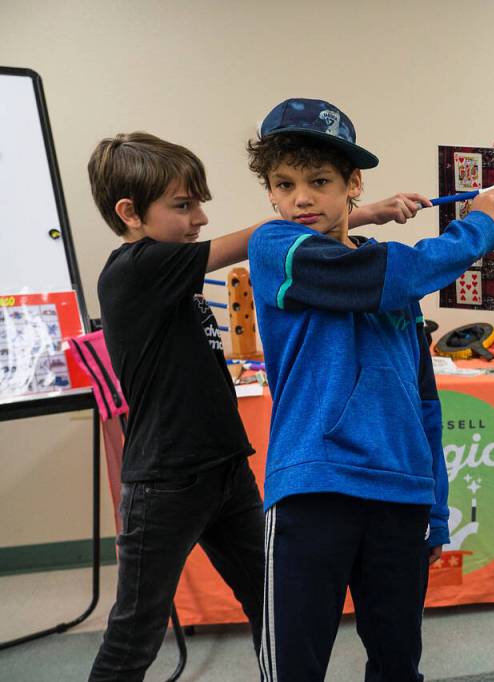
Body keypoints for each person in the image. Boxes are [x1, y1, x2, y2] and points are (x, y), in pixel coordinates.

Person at [246, 98, 494, 681]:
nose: (301, 199)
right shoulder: (275, 249)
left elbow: (424, 401)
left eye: (319, 182)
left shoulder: (389, 283)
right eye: (284, 184)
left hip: (400, 495)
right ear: (269, 192)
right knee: (295, 664)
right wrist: (480, 226)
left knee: (398, 663)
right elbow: (392, 272)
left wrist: (436, 508)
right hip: (314, 484)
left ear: (352, 186)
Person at [87, 132, 268, 681]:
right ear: (130, 213)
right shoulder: (136, 268)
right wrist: (353, 213)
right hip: (165, 482)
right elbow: (254, 241)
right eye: (183, 205)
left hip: (224, 468)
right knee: (135, 635)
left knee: (275, 601)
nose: (200, 218)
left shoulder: (170, 276)